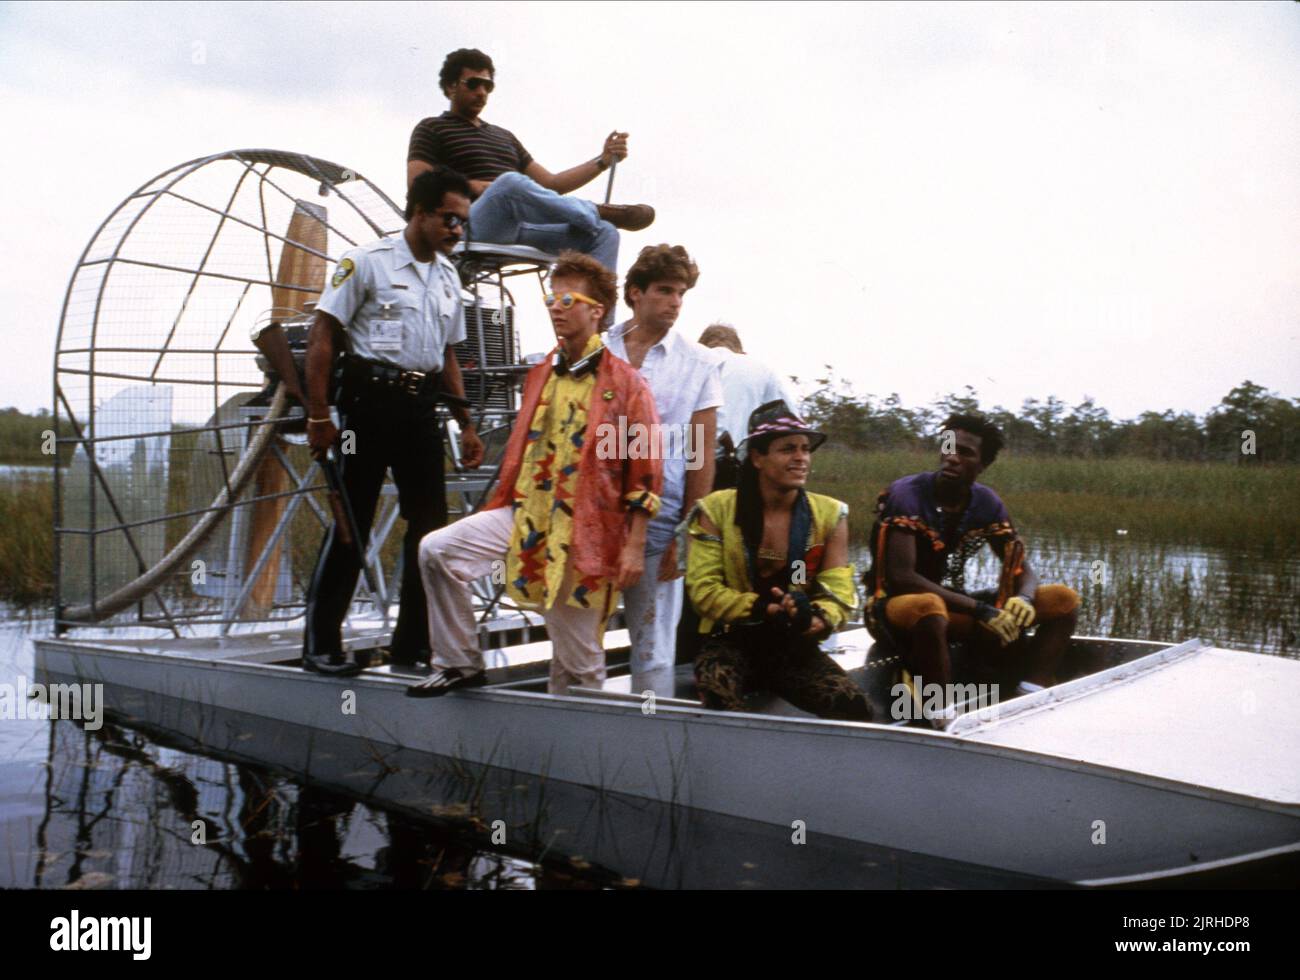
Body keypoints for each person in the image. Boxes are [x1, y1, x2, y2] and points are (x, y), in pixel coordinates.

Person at [409, 251, 662, 697]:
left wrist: (635, 548)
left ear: (596, 310)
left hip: (584, 532)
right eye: (551, 299)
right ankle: (459, 663)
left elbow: (643, 474)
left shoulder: (627, 385)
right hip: (526, 516)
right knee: (437, 550)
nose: (554, 308)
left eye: (567, 301)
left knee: (578, 664)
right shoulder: (541, 372)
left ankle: (583, 756)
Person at [300, 169, 485, 676]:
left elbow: (448, 354)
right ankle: (320, 643)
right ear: (420, 213)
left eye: (462, 222)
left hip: (420, 411)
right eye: (448, 218)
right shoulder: (365, 262)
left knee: (429, 528)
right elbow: (323, 336)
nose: (456, 230)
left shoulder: (448, 277)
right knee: (351, 520)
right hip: (365, 408)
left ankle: (413, 645)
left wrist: (465, 422)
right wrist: (318, 414)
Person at [863, 414, 1080, 722]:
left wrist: (1025, 598)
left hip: (952, 607)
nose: (952, 458)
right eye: (948, 447)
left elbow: (1021, 569)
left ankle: (1029, 691)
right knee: (929, 605)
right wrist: (982, 611)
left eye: (965, 453)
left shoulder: (986, 501)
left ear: (982, 465)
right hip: (894, 610)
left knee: (1063, 599)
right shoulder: (907, 493)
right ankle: (940, 712)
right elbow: (902, 577)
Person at [684, 400, 872, 721]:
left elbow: (839, 593)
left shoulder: (830, 514)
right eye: (787, 449)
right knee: (718, 690)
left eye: (805, 449)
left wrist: (817, 619)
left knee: (852, 705)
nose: (801, 458)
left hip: (792, 645)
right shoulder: (715, 509)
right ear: (757, 457)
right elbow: (703, 591)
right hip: (729, 639)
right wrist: (764, 608)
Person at [407, 48, 655, 271]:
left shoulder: (504, 137)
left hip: (521, 226)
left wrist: (602, 160)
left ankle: (599, 321)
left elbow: (551, 185)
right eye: (473, 84)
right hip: (470, 225)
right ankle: (595, 210)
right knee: (510, 183)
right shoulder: (432, 128)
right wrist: (475, 187)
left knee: (606, 233)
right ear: (451, 86)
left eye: (488, 86)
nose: (481, 92)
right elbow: (418, 186)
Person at [605, 244, 722, 697]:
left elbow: (700, 453)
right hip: (593, 515)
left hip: (661, 519)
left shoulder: (699, 363)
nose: (675, 302)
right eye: (664, 290)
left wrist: (687, 531)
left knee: (653, 647)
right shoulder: (599, 349)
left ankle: (650, 751)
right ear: (635, 293)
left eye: (681, 293)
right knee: (579, 642)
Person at [697, 323, 798, 483]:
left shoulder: (687, 365)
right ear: (742, 353)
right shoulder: (760, 369)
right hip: (739, 469)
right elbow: (792, 421)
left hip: (689, 465)